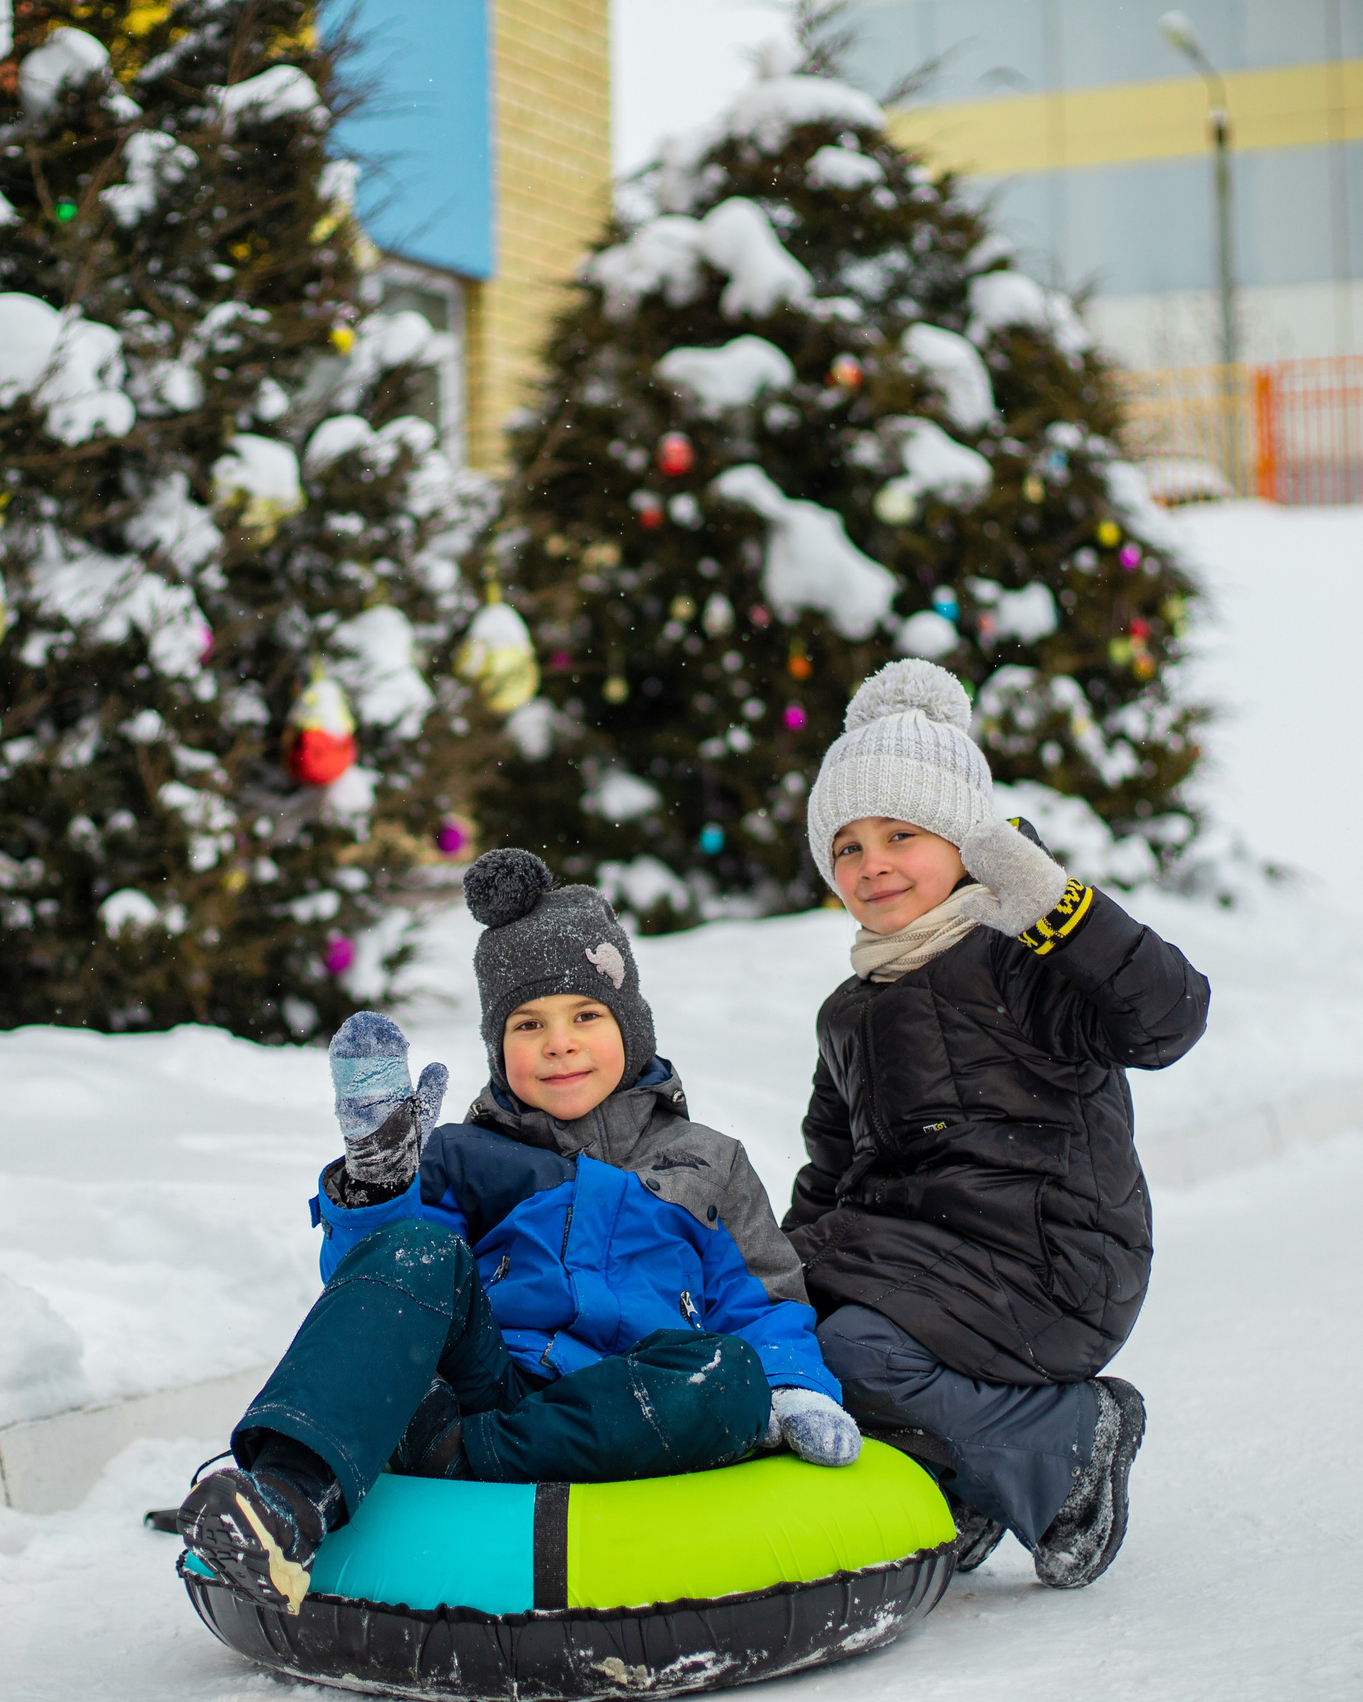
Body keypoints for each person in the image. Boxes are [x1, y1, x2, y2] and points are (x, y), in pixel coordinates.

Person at [180, 848, 860, 1612]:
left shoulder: (708, 1162)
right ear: (498, 1048)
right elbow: (378, 1279)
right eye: (528, 1023)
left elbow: (762, 1300)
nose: (559, 1042)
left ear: (631, 1028)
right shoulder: (467, 1156)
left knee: (728, 1373)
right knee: (418, 1247)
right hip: (489, 1379)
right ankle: (283, 1499)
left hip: (630, 1399)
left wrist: (797, 1386)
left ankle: (458, 1460)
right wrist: (380, 1187)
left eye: (586, 1016)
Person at [786, 658, 1210, 1590]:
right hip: (920, 1265)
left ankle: (1067, 1439)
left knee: (852, 1349)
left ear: (969, 843)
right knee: (779, 1331)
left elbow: (1167, 1017)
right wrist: (770, 1278)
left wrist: (1062, 913)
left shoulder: (1026, 963)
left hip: (1050, 1261)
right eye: (848, 847)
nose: (874, 864)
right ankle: (961, 1477)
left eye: (903, 832)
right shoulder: (850, 1010)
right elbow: (830, 1176)